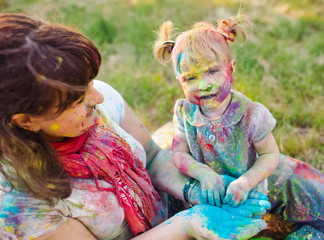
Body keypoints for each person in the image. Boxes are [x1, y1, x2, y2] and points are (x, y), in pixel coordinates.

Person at [0, 13, 271, 240]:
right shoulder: (18, 205)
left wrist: (193, 192)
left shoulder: (98, 104)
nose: (98, 98)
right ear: (26, 120)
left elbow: (152, 157)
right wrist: (186, 225)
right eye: (79, 100)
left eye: (91, 83)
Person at [153, 15, 324, 239]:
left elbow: (270, 154)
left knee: (313, 196)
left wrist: (247, 181)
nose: (203, 85)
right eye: (190, 78)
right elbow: (179, 153)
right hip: (212, 193)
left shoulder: (251, 114)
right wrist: (202, 174)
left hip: (253, 182)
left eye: (212, 71)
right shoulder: (185, 112)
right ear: (179, 79)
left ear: (231, 70)